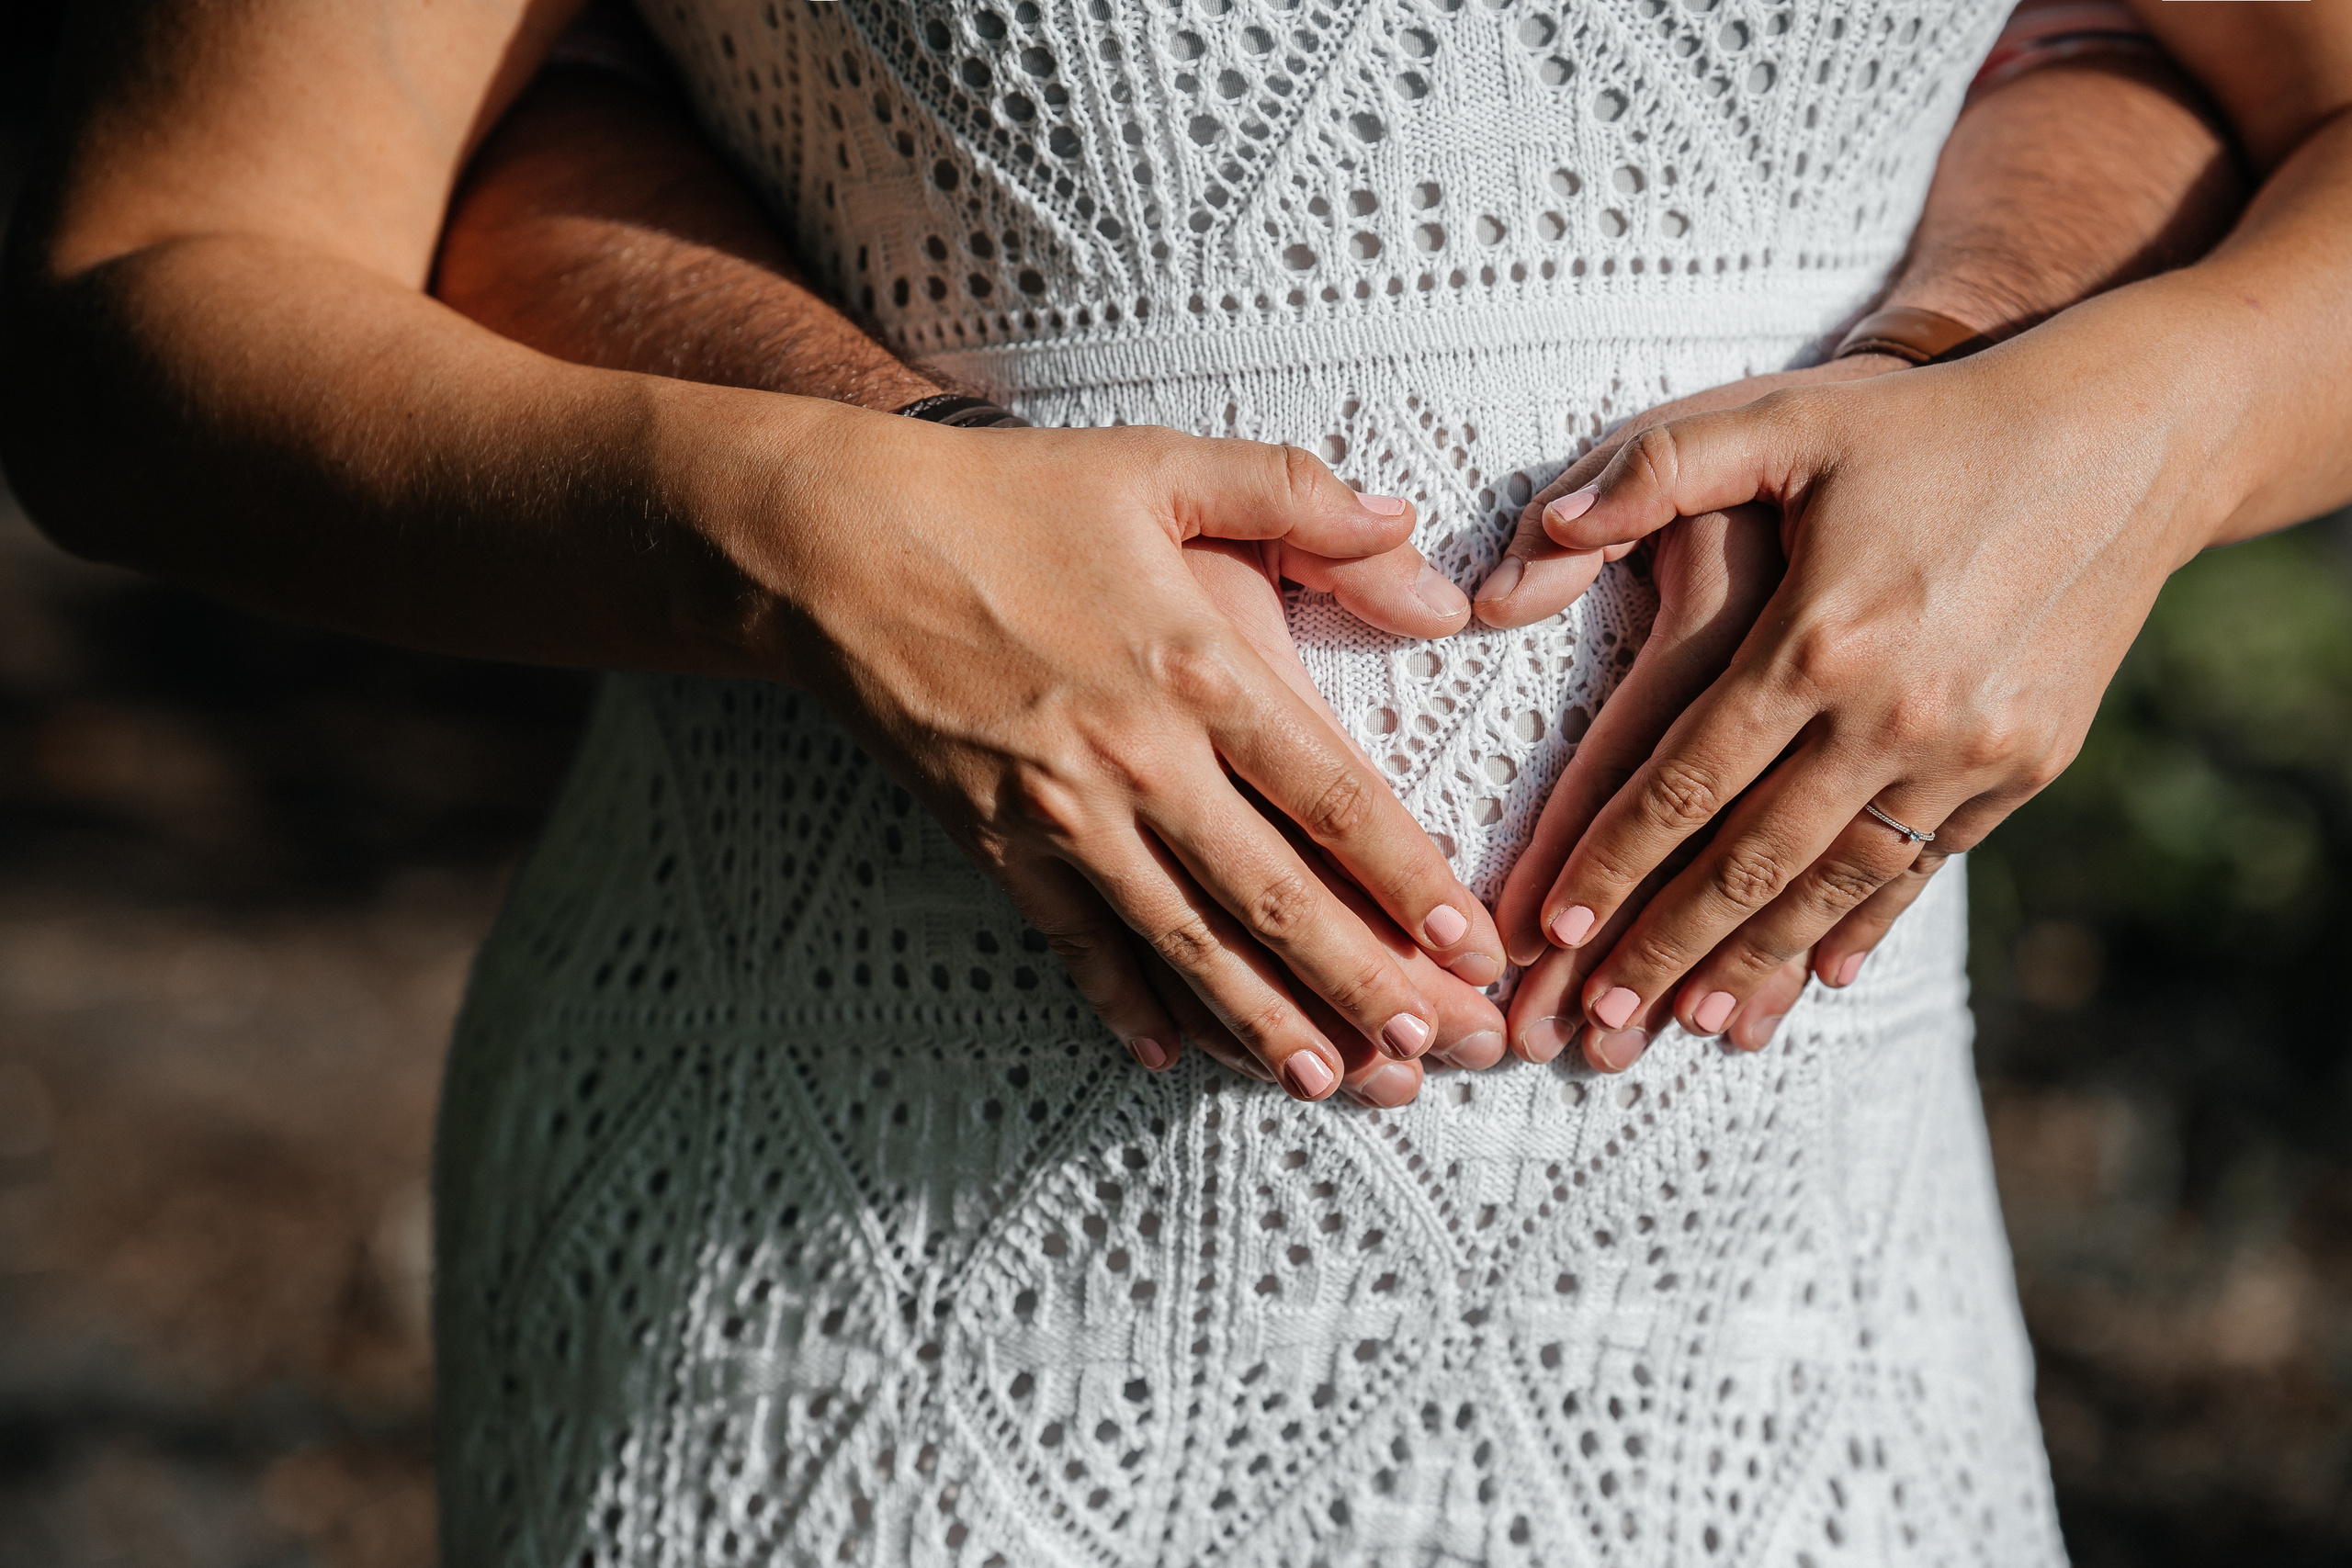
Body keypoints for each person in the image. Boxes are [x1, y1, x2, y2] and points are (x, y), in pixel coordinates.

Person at [0, 4, 2341, 1566]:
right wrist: (808, 521)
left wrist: (2121, 441)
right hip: (859, 1258)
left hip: (1777, 1290)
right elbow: (152, 292)